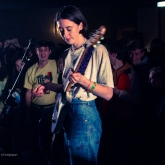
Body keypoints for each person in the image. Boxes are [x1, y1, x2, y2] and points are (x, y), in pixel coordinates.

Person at [33, 5, 114, 165]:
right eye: (61, 30)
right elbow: (66, 89)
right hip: (65, 113)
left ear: (81, 25)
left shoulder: (97, 50)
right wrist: (47, 86)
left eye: (69, 28)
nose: (65, 34)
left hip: (85, 114)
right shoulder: (65, 54)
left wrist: (84, 81)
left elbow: (108, 94)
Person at [24, 40, 59, 164]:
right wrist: (28, 113)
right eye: (40, 50)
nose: (43, 53)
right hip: (36, 109)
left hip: (51, 109)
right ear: (36, 52)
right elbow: (28, 92)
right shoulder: (31, 70)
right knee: (36, 137)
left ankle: (50, 159)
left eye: (45, 50)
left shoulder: (56, 64)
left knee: (50, 139)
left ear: (50, 52)